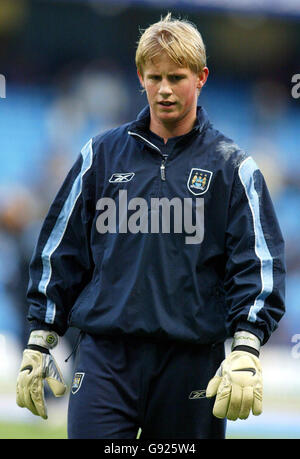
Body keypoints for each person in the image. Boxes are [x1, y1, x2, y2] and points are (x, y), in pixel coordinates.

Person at [16, 13, 285, 439]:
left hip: (192, 364)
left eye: (176, 77)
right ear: (140, 77)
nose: (163, 89)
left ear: (201, 78)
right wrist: (40, 336)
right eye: (154, 76)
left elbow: (257, 266)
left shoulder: (233, 168)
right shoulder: (99, 156)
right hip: (105, 360)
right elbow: (59, 252)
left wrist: (247, 346)